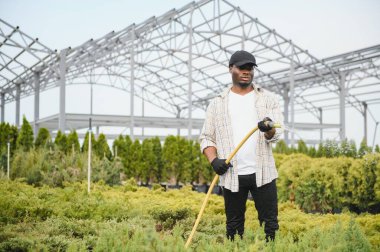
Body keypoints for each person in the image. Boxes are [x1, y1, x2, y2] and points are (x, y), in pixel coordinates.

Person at [199, 50, 284, 242]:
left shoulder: (267, 99)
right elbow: (206, 137)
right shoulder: (217, 104)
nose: (247, 71)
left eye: (250, 68)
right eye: (241, 67)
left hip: (263, 173)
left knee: (270, 225)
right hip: (231, 174)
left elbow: (277, 132)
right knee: (234, 227)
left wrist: (268, 127)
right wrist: (214, 160)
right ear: (231, 69)